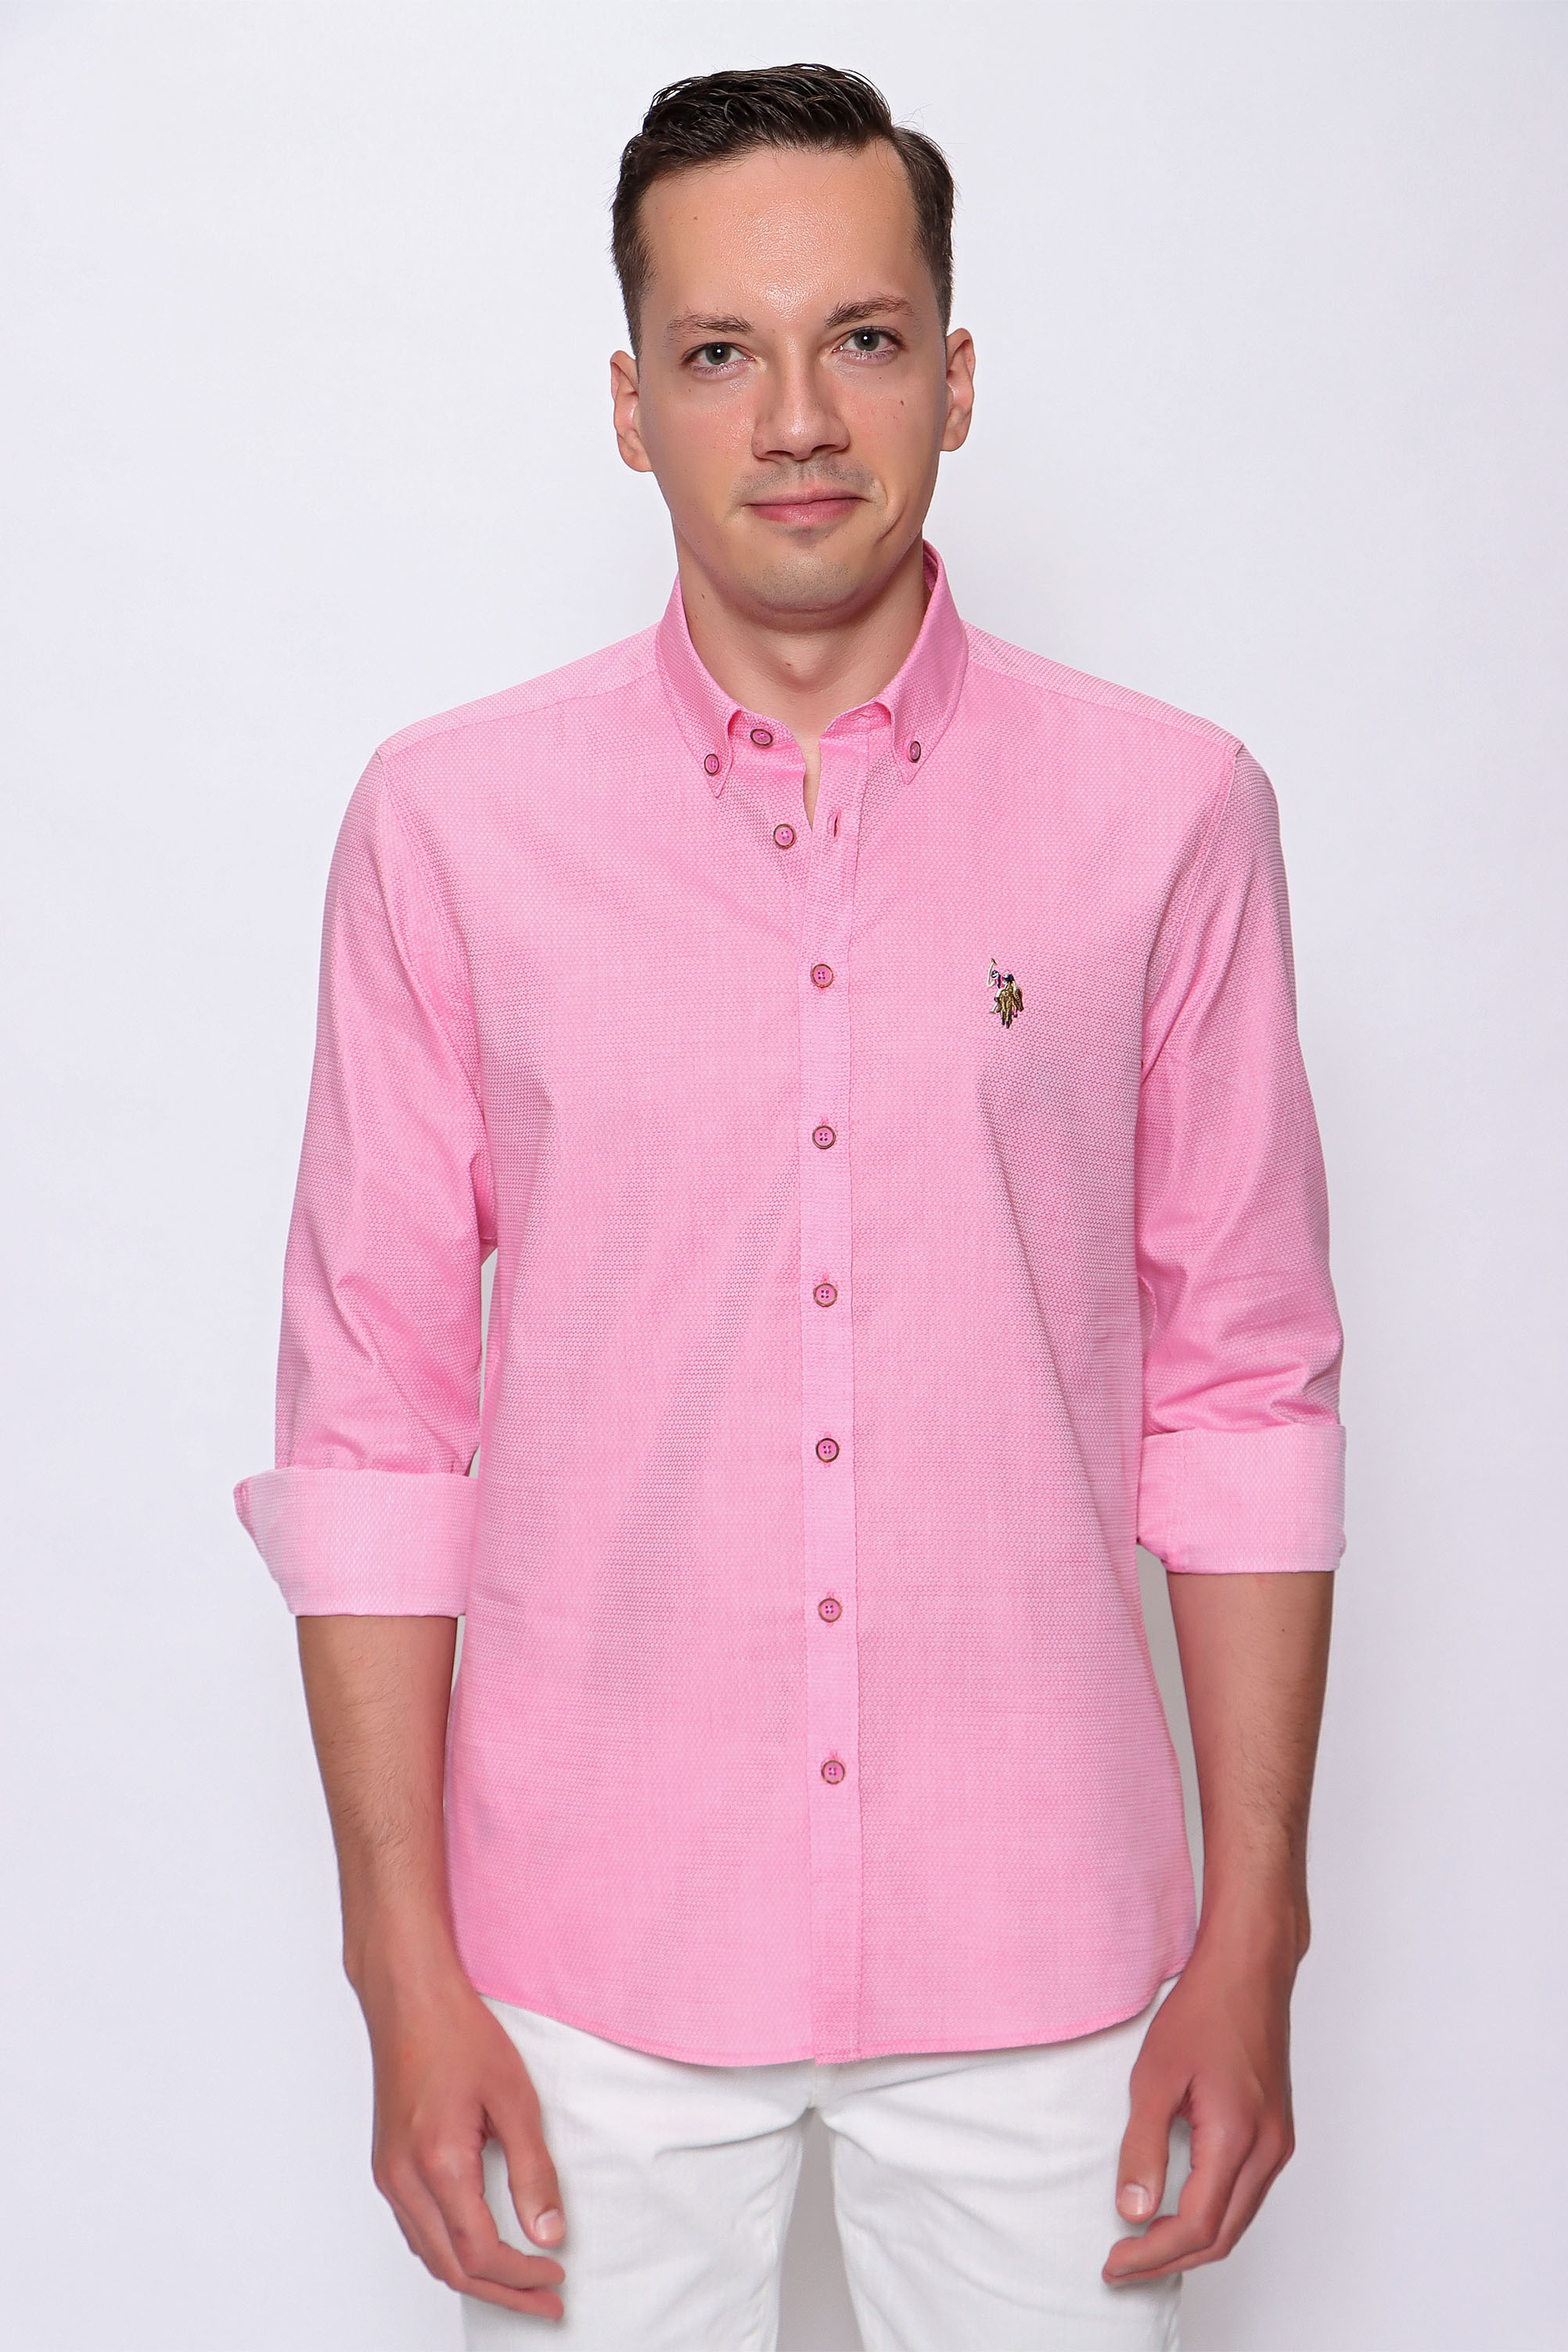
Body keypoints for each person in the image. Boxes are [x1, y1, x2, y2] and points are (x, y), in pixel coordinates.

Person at [234, 60, 1345, 2351]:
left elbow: (1246, 1395)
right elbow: (373, 1430)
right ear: (629, 405)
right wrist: (400, 1970)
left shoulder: (1169, 817)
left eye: (861, 338)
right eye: (721, 352)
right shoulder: (448, 831)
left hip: (1046, 1945)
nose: (800, 418)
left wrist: (1255, 1935)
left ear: (956, 374)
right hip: (581, 1961)